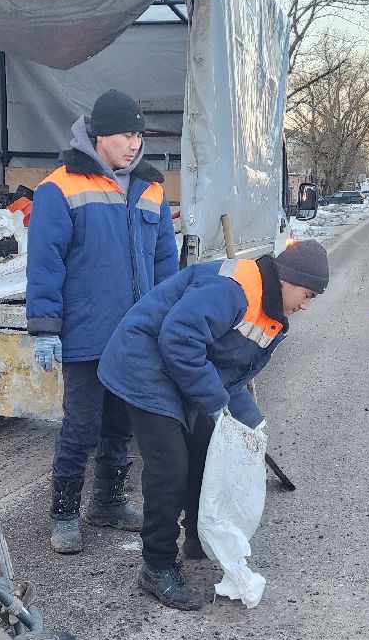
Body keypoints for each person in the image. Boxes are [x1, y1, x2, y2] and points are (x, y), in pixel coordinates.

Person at [98, 240, 329, 610]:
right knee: (170, 466)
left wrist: (253, 424)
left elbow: (228, 374)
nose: (305, 305)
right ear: (287, 279)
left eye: (313, 298)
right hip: (142, 361)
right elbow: (178, 338)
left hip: (177, 370)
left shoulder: (271, 314)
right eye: (306, 294)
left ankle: (196, 537)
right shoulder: (233, 291)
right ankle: (156, 566)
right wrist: (218, 405)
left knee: (208, 448)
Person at [27, 89, 180, 554]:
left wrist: (167, 323)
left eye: (139, 135)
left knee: (122, 424)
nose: (134, 144)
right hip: (85, 336)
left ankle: (108, 502)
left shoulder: (151, 188)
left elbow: (165, 264)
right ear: (98, 136)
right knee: (81, 426)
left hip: (134, 336)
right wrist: (44, 328)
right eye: (124, 135)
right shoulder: (61, 187)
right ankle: (64, 514)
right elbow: (45, 263)